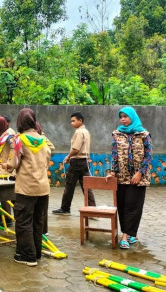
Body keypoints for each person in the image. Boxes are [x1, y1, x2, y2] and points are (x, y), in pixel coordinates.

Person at [7, 108, 51, 267]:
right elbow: (47, 158)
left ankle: (27, 256)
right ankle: (37, 252)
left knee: (23, 222)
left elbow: (13, 164)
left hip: (26, 188)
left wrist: (7, 165)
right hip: (43, 188)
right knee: (37, 222)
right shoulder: (43, 139)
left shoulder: (19, 140)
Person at [107, 106, 152, 249]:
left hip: (138, 178)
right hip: (121, 177)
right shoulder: (117, 134)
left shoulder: (144, 134)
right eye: (121, 117)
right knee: (122, 206)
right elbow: (114, 155)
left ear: (132, 117)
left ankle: (125, 236)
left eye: (125, 117)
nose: (123, 120)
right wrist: (112, 172)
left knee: (134, 207)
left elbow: (149, 156)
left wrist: (140, 173)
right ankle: (131, 234)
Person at [52, 112, 96, 215]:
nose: (71, 123)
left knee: (69, 185)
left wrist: (68, 156)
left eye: (73, 121)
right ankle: (93, 209)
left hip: (77, 162)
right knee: (87, 186)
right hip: (85, 161)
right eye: (71, 121)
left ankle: (65, 208)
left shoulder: (79, 132)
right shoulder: (86, 131)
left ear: (80, 121)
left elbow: (75, 149)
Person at [0, 116, 15, 226]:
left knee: (7, 197)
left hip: (7, 171)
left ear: (1, 125)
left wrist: (10, 162)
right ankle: (4, 218)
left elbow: (15, 148)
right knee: (1, 197)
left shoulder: (9, 136)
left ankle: (8, 219)